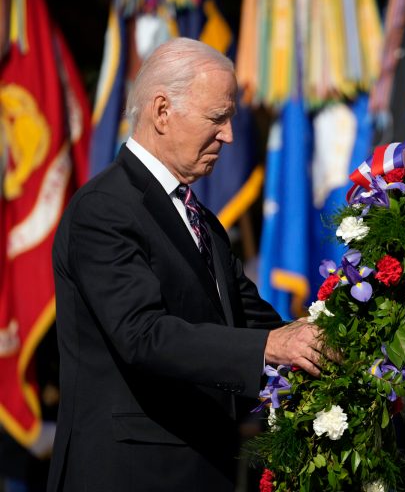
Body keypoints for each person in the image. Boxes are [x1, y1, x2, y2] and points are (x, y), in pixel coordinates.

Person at [47, 37, 327, 492]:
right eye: (217, 118)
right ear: (162, 111)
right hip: (129, 474)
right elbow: (142, 334)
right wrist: (271, 348)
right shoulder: (104, 209)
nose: (230, 135)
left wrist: (339, 336)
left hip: (201, 468)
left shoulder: (200, 219)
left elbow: (255, 324)